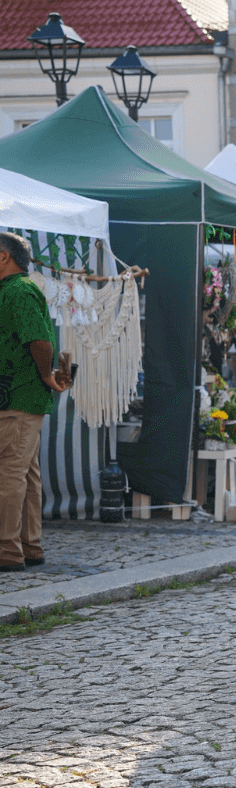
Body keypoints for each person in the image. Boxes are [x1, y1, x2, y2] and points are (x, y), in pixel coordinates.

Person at [0, 232, 70, 573]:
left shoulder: (19, 290)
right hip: (17, 397)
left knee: (9, 474)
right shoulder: (12, 290)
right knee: (24, 473)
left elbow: (41, 341)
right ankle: (28, 546)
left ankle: (7, 551)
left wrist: (45, 375)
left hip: (19, 397)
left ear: (4, 257)